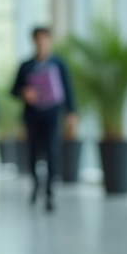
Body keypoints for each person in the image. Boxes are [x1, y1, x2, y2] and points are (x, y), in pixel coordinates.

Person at [12, 27, 77, 211]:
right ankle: (35, 185)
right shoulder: (26, 66)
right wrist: (24, 92)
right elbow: (14, 89)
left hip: (52, 116)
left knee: (52, 153)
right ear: (33, 41)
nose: (41, 42)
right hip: (32, 116)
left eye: (44, 38)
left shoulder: (58, 64)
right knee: (33, 153)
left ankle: (49, 193)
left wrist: (71, 112)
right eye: (37, 39)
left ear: (49, 40)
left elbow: (67, 89)